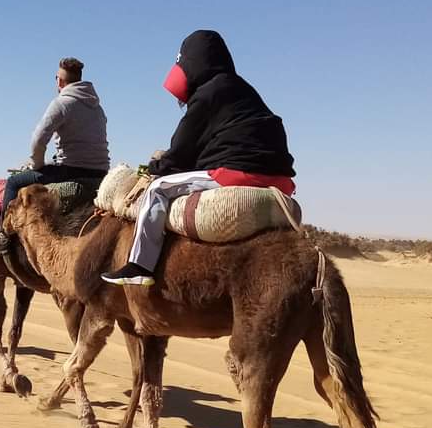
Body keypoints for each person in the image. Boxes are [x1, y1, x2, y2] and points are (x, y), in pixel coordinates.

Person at [102, 30, 296, 286]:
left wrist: (154, 168)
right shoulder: (243, 89)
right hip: (279, 179)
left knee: (158, 189)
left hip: (237, 172)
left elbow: (180, 152)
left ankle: (140, 265)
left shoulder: (207, 94)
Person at [0, 57, 110, 255]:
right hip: (100, 172)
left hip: (72, 171)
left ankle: (3, 238)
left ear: (60, 81)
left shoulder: (62, 103)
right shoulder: (97, 107)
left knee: (14, 182)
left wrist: (37, 164)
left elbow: (38, 140)